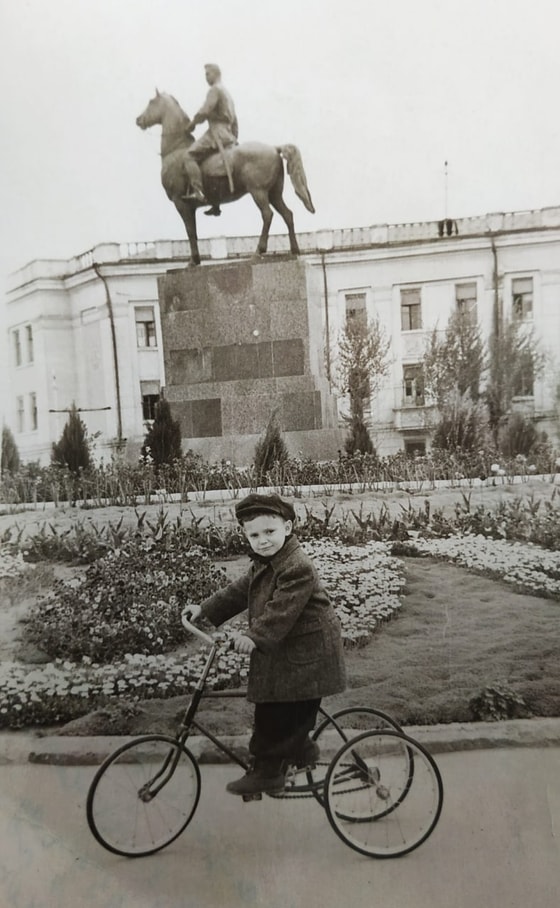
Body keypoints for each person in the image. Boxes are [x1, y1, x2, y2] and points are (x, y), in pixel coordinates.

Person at [184, 492, 346, 797]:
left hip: (310, 656)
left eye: (269, 532)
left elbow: (280, 612)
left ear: (288, 527)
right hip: (290, 651)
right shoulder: (266, 563)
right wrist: (205, 609)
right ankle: (298, 752)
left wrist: (252, 637)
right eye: (254, 534)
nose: (263, 541)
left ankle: (270, 773)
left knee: (274, 715)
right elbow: (239, 590)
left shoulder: (296, 566)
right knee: (271, 707)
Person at [183, 63, 239, 217]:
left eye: (207, 74)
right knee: (210, 163)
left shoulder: (214, 90)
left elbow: (205, 110)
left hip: (216, 132)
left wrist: (192, 125)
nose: (206, 77)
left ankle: (197, 191)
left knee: (189, 156)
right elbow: (235, 121)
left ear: (215, 74)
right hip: (228, 133)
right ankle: (215, 202)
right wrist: (234, 139)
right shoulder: (227, 93)